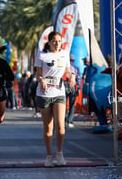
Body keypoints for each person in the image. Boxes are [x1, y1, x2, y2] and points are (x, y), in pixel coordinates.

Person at [35, 31, 76, 167]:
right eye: (54, 41)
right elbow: (38, 74)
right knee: (48, 127)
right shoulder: (42, 55)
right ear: (49, 42)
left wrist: (72, 77)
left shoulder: (64, 53)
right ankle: (49, 156)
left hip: (59, 92)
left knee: (60, 126)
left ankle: (59, 153)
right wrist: (42, 81)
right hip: (44, 93)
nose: (57, 43)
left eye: (59, 41)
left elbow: (67, 71)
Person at [64, 54, 81, 128]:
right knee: (72, 105)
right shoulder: (76, 68)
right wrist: (79, 88)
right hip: (72, 86)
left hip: (64, 85)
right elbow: (78, 79)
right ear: (73, 60)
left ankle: (62, 120)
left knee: (62, 104)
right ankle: (70, 121)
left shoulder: (64, 67)